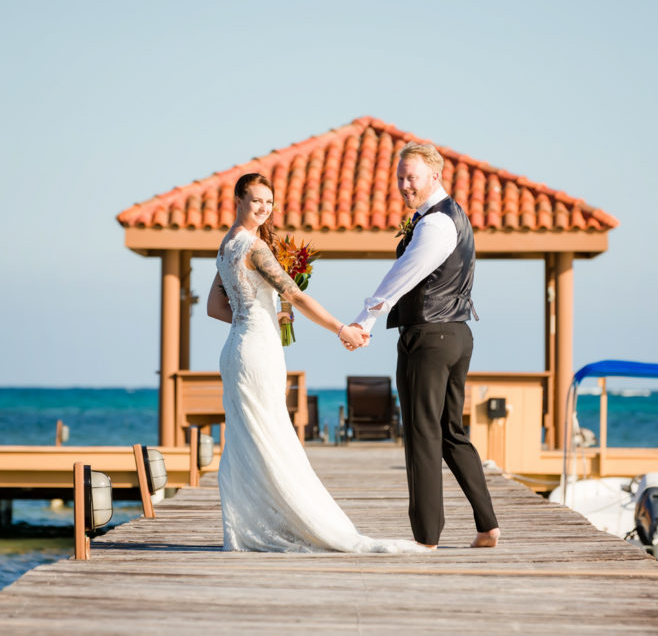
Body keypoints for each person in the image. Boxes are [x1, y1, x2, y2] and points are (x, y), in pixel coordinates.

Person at [206, 172, 426, 553]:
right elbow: (296, 296)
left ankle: (246, 528)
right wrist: (342, 328)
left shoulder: (226, 246)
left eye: (269, 202)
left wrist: (262, 317)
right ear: (239, 200)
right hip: (257, 351)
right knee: (272, 437)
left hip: (236, 348)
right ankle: (295, 521)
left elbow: (215, 307)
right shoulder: (255, 248)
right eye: (256, 200)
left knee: (248, 439)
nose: (263, 208)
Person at [350, 142, 500, 549]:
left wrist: (366, 318)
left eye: (410, 177)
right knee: (451, 430)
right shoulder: (452, 216)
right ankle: (487, 526)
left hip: (429, 336)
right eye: (400, 177)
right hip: (455, 334)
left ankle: (426, 538)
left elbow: (404, 274)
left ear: (435, 175)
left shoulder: (435, 224)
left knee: (422, 435)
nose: (403, 184)